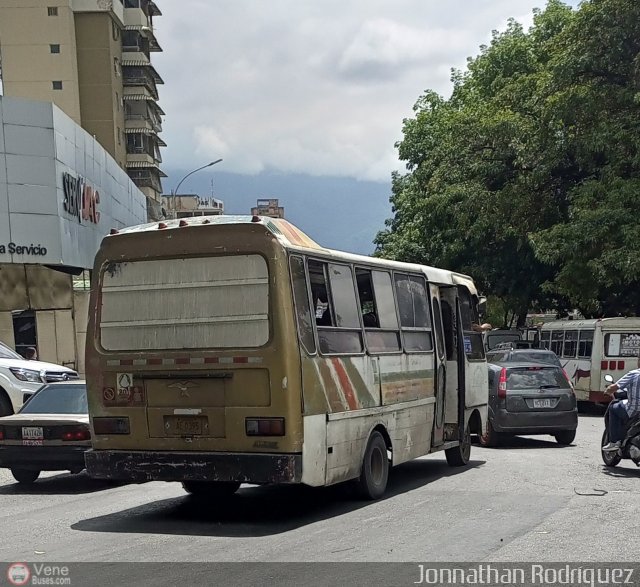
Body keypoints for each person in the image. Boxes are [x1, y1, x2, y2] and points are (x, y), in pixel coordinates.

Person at [602, 354, 640, 452]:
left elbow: (613, 387)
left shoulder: (634, 374)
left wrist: (607, 391)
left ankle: (614, 442)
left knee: (613, 408)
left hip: (634, 410)